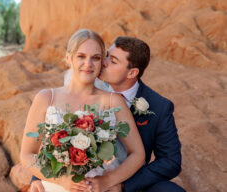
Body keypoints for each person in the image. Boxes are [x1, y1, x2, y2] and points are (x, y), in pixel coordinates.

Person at [29, 36, 185, 192]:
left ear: (131, 73)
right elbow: (58, 128)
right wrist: (40, 177)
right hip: (80, 179)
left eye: (113, 61)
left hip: (131, 182)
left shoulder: (158, 106)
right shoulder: (89, 82)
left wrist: (122, 185)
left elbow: (170, 161)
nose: (103, 62)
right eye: (106, 55)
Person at [20, 29, 145, 192]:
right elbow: (27, 155)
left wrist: (107, 181)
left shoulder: (113, 101)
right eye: (81, 56)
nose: (88, 64)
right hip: (55, 187)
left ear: (102, 63)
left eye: (96, 58)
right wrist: (61, 180)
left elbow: (138, 154)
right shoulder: (46, 98)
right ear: (68, 58)